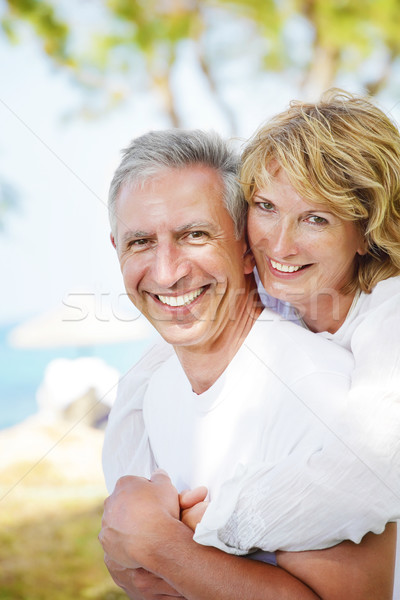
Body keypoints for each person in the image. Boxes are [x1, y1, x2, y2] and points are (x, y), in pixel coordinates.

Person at [99, 129, 397, 599]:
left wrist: (162, 548)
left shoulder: (318, 388)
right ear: (114, 246)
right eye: (140, 242)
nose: (165, 271)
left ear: (243, 247)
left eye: (194, 235)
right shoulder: (155, 390)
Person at [186, 89, 400, 595]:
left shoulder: (390, 314)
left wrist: (214, 524)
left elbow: (373, 471)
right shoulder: (275, 298)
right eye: (265, 206)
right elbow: (164, 365)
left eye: (316, 218)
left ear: (366, 229)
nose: (279, 245)